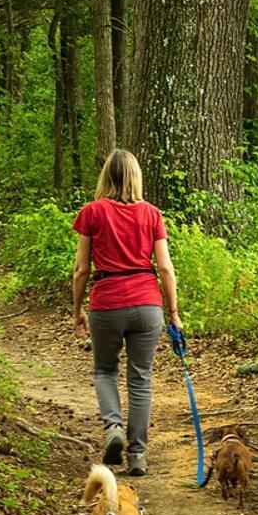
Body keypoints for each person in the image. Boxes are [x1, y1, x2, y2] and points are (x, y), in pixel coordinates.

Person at [72, 149, 181, 477]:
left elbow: (80, 269)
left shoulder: (91, 212)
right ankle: (137, 455)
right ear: (136, 177)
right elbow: (164, 267)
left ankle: (113, 427)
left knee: (105, 370)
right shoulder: (152, 214)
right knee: (141, 377)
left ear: (106, 176)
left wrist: (76, 310)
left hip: (106, 303)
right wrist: (173, 311)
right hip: (147, 304)